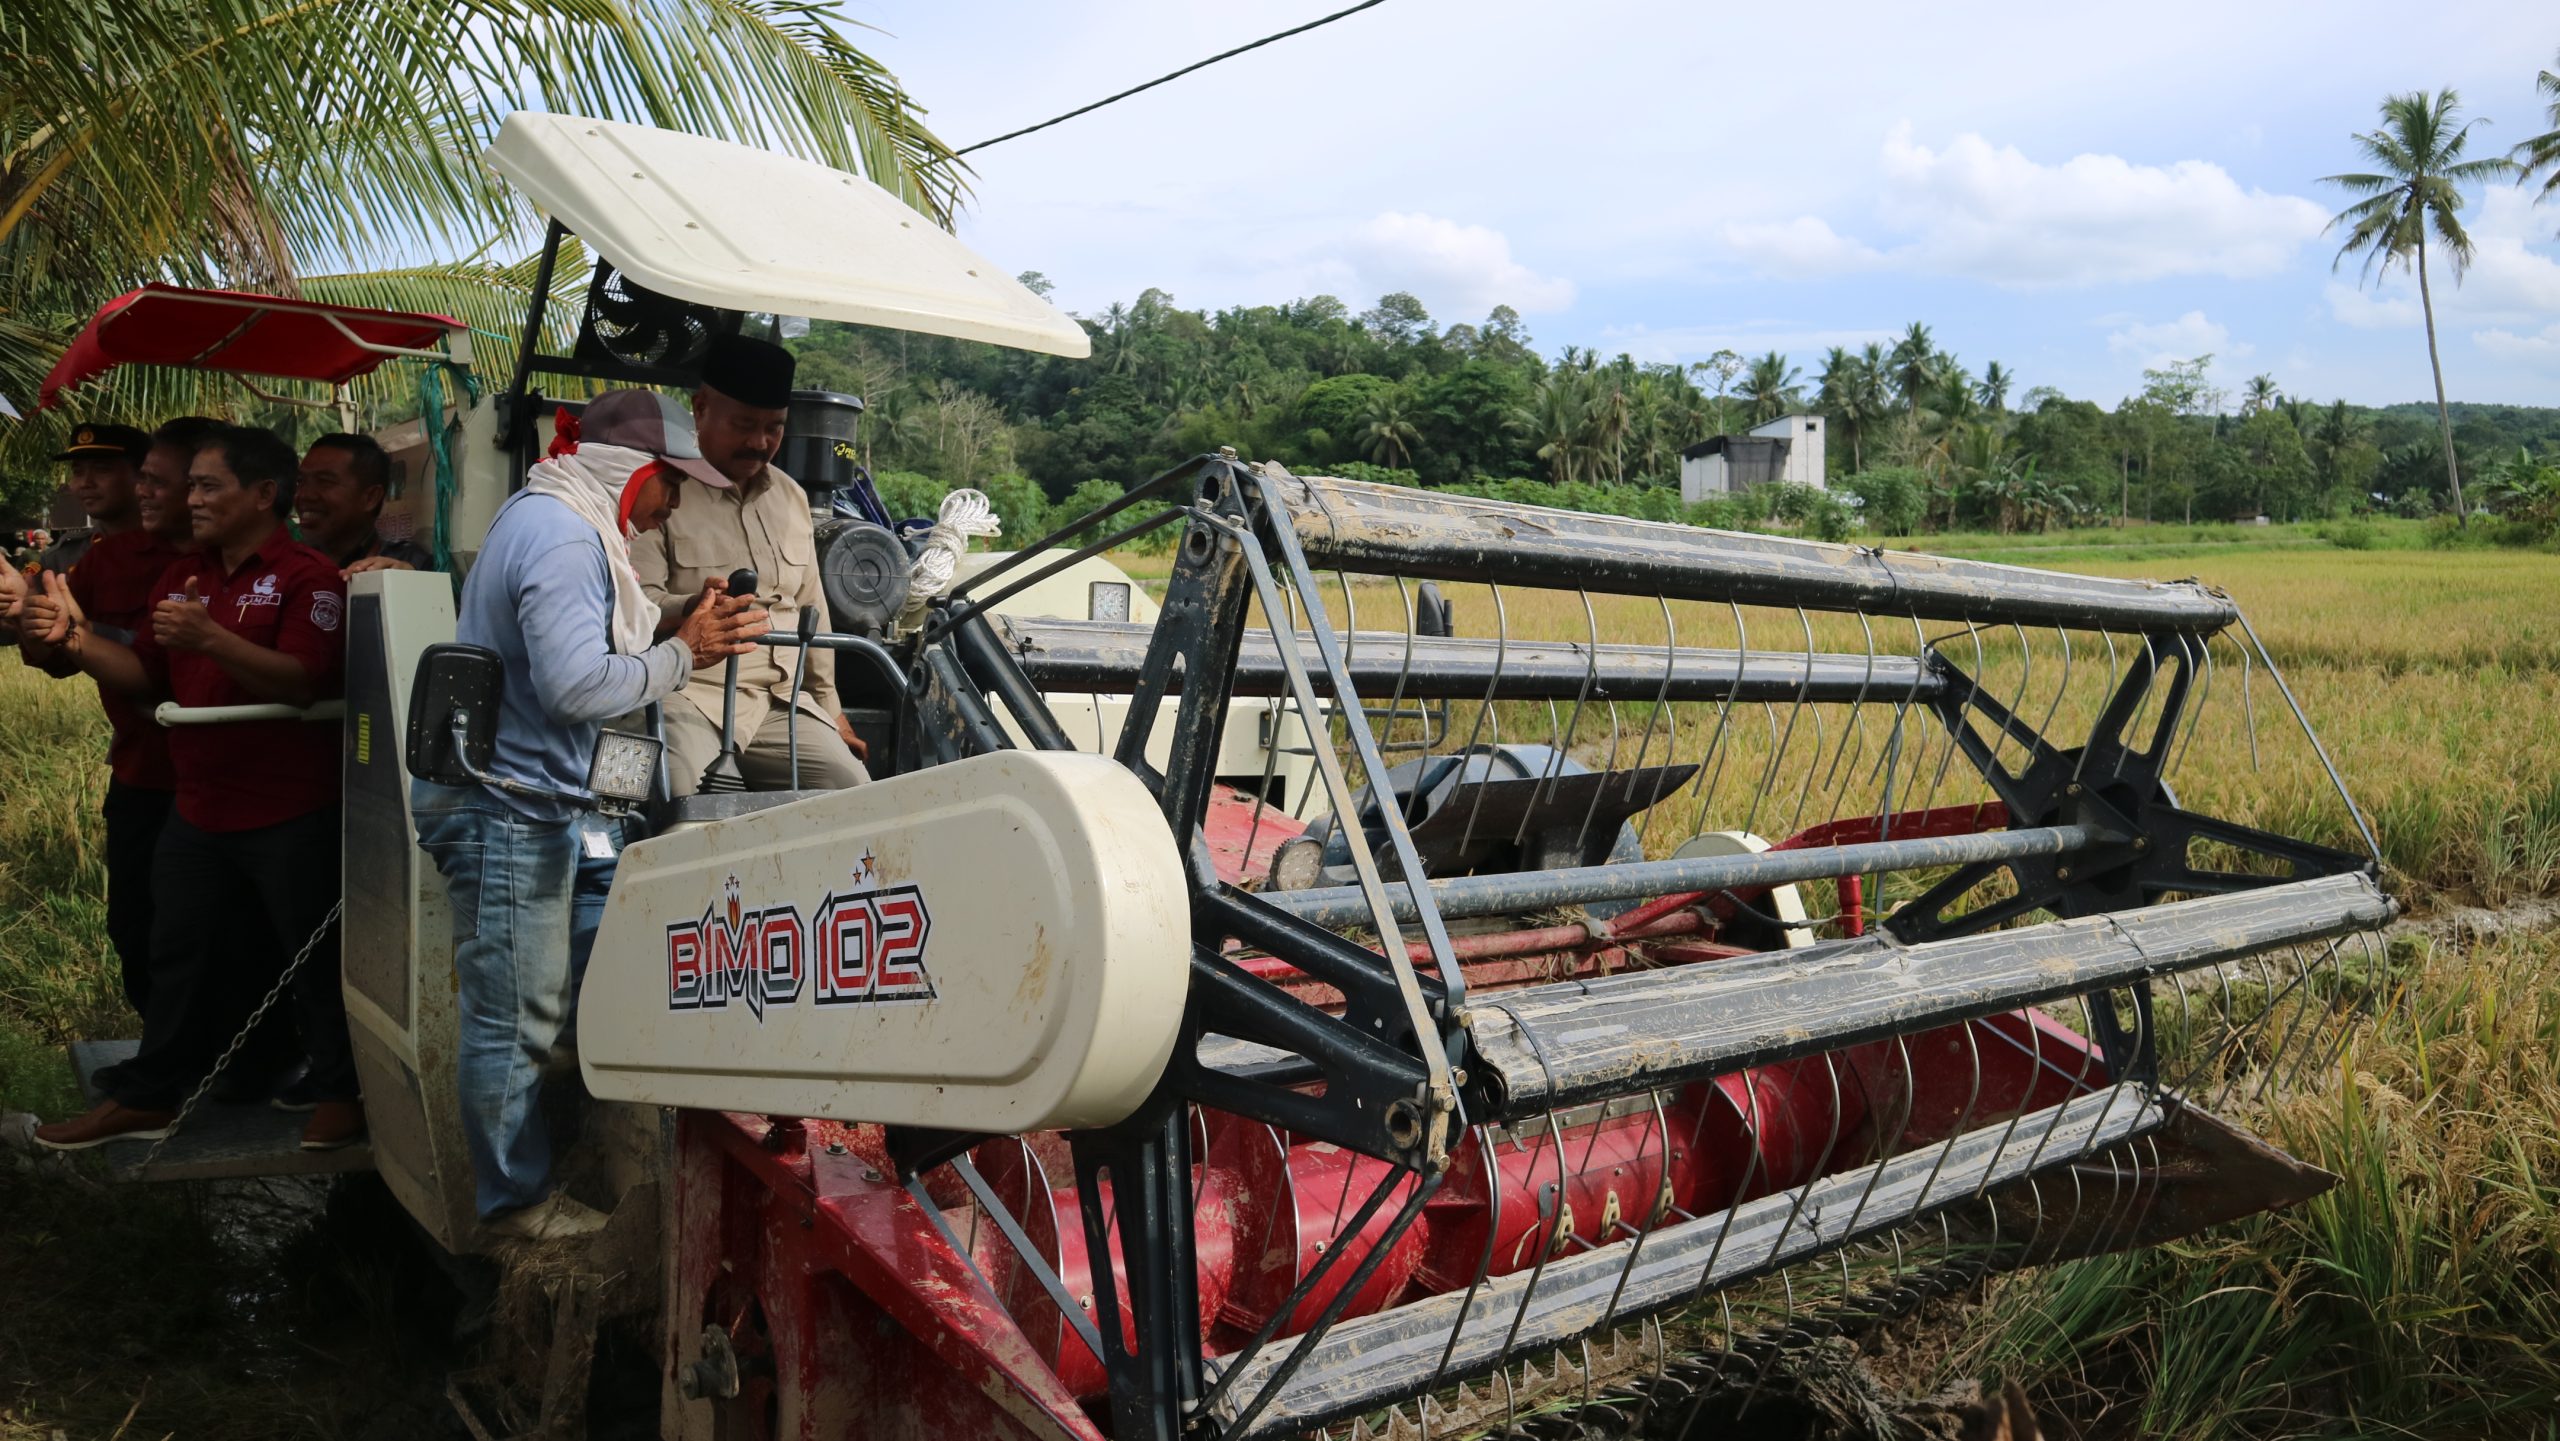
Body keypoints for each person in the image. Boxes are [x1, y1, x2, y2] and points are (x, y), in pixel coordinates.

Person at [410, 388, 767, 1241]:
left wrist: (680, 616)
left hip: (548, 802)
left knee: (605, 971)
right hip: (507, 807)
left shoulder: (562, 522)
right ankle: (514, 1208)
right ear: (633, 470)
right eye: (670, 482)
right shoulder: (567, 539)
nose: (676, 500)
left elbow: (588, 647)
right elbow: (575, 688)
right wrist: (688, 655)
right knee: (517, 1013)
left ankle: (568, 1162)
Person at [26, 425, 364, 1153]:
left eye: (208, 485)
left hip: (288, 810)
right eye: (192, 486)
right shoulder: (189, 577)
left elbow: (304, 681)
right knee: (174, 948)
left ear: (262, 494)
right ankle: (152, 1093)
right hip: (199, 807)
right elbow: (147, 673)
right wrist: (74, 642)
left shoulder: (308, 577)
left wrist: (211, 640)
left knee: (308, 953)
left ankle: (340, 1091)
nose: (192, 499)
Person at [10, 417, 221, 1036]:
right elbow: (52, 657)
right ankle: (167, 1053)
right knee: (135, 925)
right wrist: (31, 617)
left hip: (219, 779)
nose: (84, 483)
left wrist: (78, 633)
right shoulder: (108, 560)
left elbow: (165, 671)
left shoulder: (219, 559)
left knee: (213, 932)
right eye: (77, 470)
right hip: (142, 773)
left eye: (106, 468)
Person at [629, 334, 867, 795]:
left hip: (782, 702)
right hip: (689, 694)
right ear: (700, 409)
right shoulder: (660, 489)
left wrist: (832, 710)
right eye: (743, 424)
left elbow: (811, 614)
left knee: (853, 797)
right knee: (689, 808)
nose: (759, 442)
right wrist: (695, 608)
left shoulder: (791, 497)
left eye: (774, 427)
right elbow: (634, 605)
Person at [296, 432, 435, 577]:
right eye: (300, 481)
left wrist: (409, 585)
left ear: (371, 498)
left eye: (325, 481)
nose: (305, 495)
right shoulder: (286, 564)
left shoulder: (411, 567)